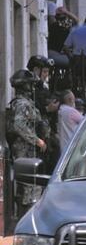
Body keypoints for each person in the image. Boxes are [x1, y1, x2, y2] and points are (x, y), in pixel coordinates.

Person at [6, 70, 48, 219]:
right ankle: (26, 219)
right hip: (25, 151)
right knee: (29, 187)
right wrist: (37, 140)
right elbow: (19, 125)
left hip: (27, 151)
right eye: (30, 85)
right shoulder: (22, 104)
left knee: (28, 187)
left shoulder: (23, 103)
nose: (32, 87)